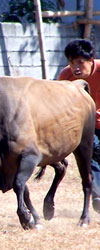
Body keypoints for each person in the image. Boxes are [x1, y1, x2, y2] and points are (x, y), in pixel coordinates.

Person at [58, 39, 100, 213]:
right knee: (90, 157)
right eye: (71, 62)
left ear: (91, 61)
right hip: (85, 126)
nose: (75, 67)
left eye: (80, 62)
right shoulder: (65, 77)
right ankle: (98, 196)